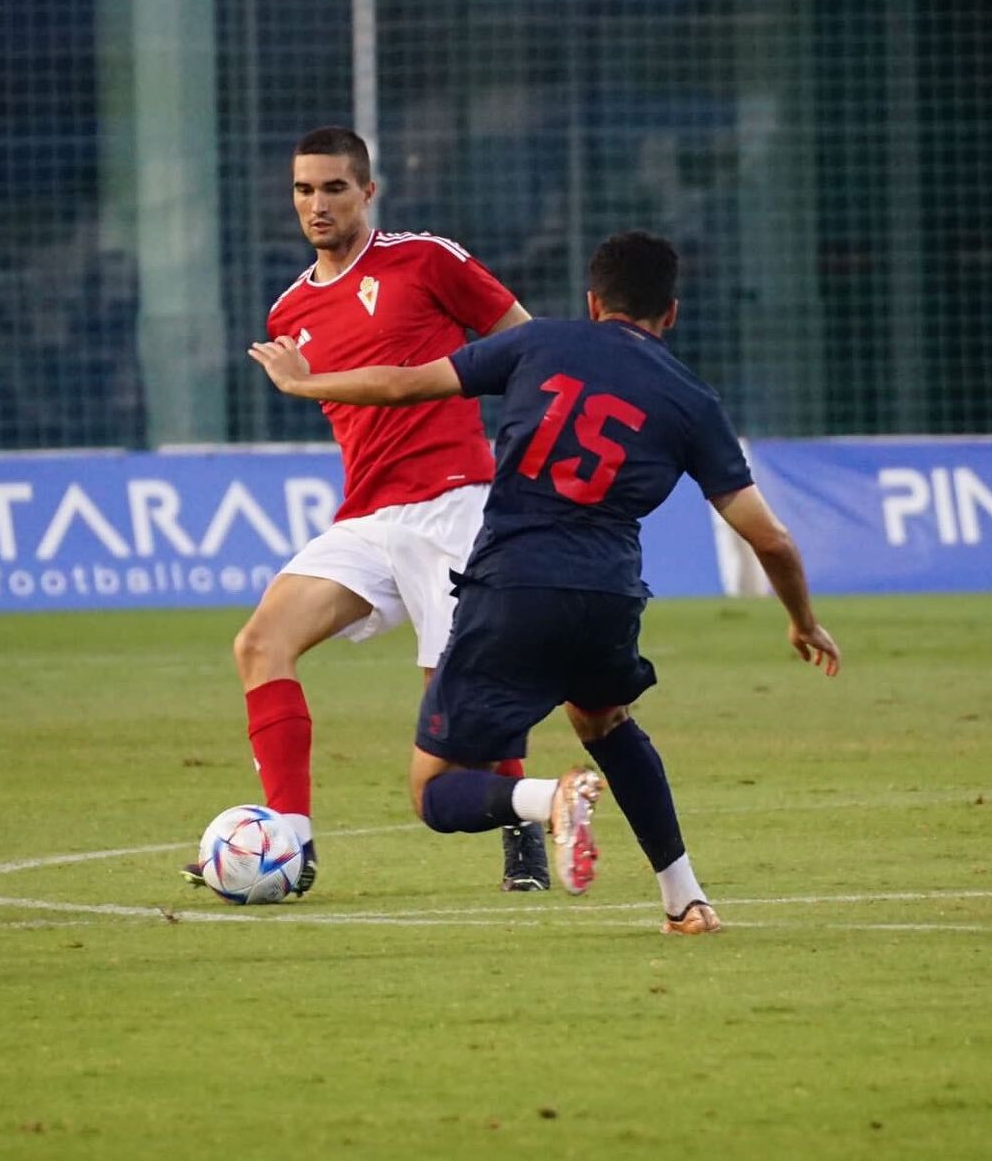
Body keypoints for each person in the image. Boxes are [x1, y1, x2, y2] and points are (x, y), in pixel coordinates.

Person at [249, 230, 842, 934]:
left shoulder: (540, 344)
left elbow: (403, 383)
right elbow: (769, 536)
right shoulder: (692, 399)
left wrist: (302, 382)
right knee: (605, 722)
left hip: (513, 582)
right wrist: (801, 619)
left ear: (593, 302)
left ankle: (546, 800)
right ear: (671, 313)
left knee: (433, 790)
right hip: (609, 595)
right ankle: (684, 898)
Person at [187, 125, 549, 898]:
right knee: (260, 643)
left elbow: (531, 346)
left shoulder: (427, 260)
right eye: (302, 190)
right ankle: (291, 842)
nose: (316, 204)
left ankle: (526, 829)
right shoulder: (290, 310)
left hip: (454, 506)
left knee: (454, 705)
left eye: (333, 188)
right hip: (366, 519)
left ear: (367, 192)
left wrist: (527, 448)